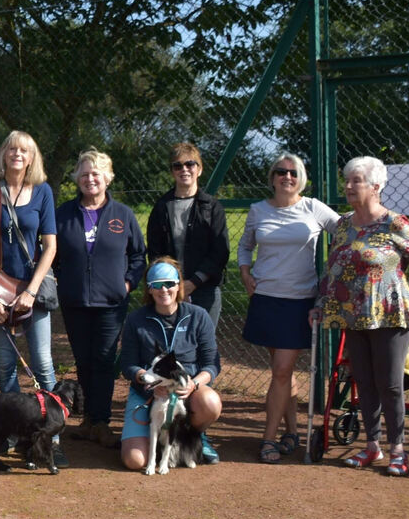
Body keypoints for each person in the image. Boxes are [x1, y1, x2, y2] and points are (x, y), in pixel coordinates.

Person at [316, 156, 409, 476]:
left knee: (389, 384)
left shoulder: (396, 223)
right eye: (346, 180)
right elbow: (332, 267)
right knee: (363, 382)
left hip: (390, 314)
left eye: (356, 181)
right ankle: (372, 447)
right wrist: (321, 303)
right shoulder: (345, 224)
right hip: (354, 316)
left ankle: (398, 451)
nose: (348, 186)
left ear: (376, 187)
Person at [238, 152, 342, 464]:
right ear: (272, 177)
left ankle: (268, 439)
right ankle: (292, 432)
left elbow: (345, 233)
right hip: (266, 299)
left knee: (282, 370)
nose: (287, 177)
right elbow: (245, 245)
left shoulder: (313, 207)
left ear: (301, 178)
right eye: (281, 172)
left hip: (300, 302)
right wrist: (245, 273)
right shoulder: (258, 210)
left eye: (293, 172)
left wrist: (335, 275)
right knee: (281, 372)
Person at [55, 148, 146, 448]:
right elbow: (50, 253)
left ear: (107, 178)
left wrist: (127, 284)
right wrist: (61, 280)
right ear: (76, 179)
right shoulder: (64, 214)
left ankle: (102, 422)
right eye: (84, 174)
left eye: (96, 173)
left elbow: (138, 256)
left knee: (104, 361)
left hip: (111, 302)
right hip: (75, 301)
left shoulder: (123, 214)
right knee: (83, 360)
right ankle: (87, 420)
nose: (90, 179)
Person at [0, 131, 58, 397]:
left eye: (24, 150)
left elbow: (50, 246)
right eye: (12, 149)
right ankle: (10, 430)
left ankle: (51, 431)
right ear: (3, 154)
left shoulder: (43, 191)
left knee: (43, 364)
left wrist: (31, 292)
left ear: (32, 158)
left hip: (33, 287)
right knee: (5, 365)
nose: (17, 154)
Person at [119, 259, 223, 470]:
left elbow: (212, 364)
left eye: (169, 283)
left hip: (187, 392)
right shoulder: (136, 319)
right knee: (134, 461)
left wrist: (193, 384)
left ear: (179, 286)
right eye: (156, 284)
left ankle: (194, 437)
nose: (163, 289)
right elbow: (127, 364)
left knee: (210, 403)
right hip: (148, 393)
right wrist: (147, 382)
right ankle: (153, 442)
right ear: (149, 289)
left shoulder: (198, 316)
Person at [145, 142, 230, 326]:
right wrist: (171, 284)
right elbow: (155, 251)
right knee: (171, 345)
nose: (184, 169)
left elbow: (220, 252)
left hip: (205, 288)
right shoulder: (161, 207)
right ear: (172, 172)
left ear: (199, 169)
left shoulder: (212, 207)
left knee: (203, 344)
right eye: (178, 166)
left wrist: (194, 282)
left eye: (190, 164)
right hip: (168, 290)